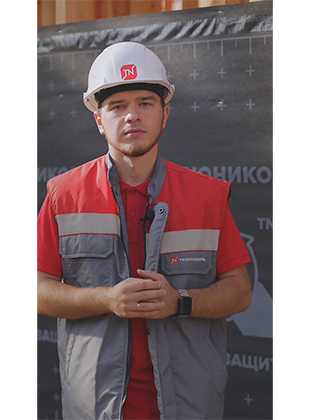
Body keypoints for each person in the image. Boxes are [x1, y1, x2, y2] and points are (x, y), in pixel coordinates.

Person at [37, 41, 253, 420]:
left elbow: (240, 290)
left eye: (145, 103)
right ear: (99, 120)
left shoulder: (207, 195)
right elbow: (37, 290)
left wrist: (180, 302)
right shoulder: (63, 194)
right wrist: (106, 299)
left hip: (191, 405)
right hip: (95, 407)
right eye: (117, 106)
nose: (132, 116)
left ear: (164, 114)